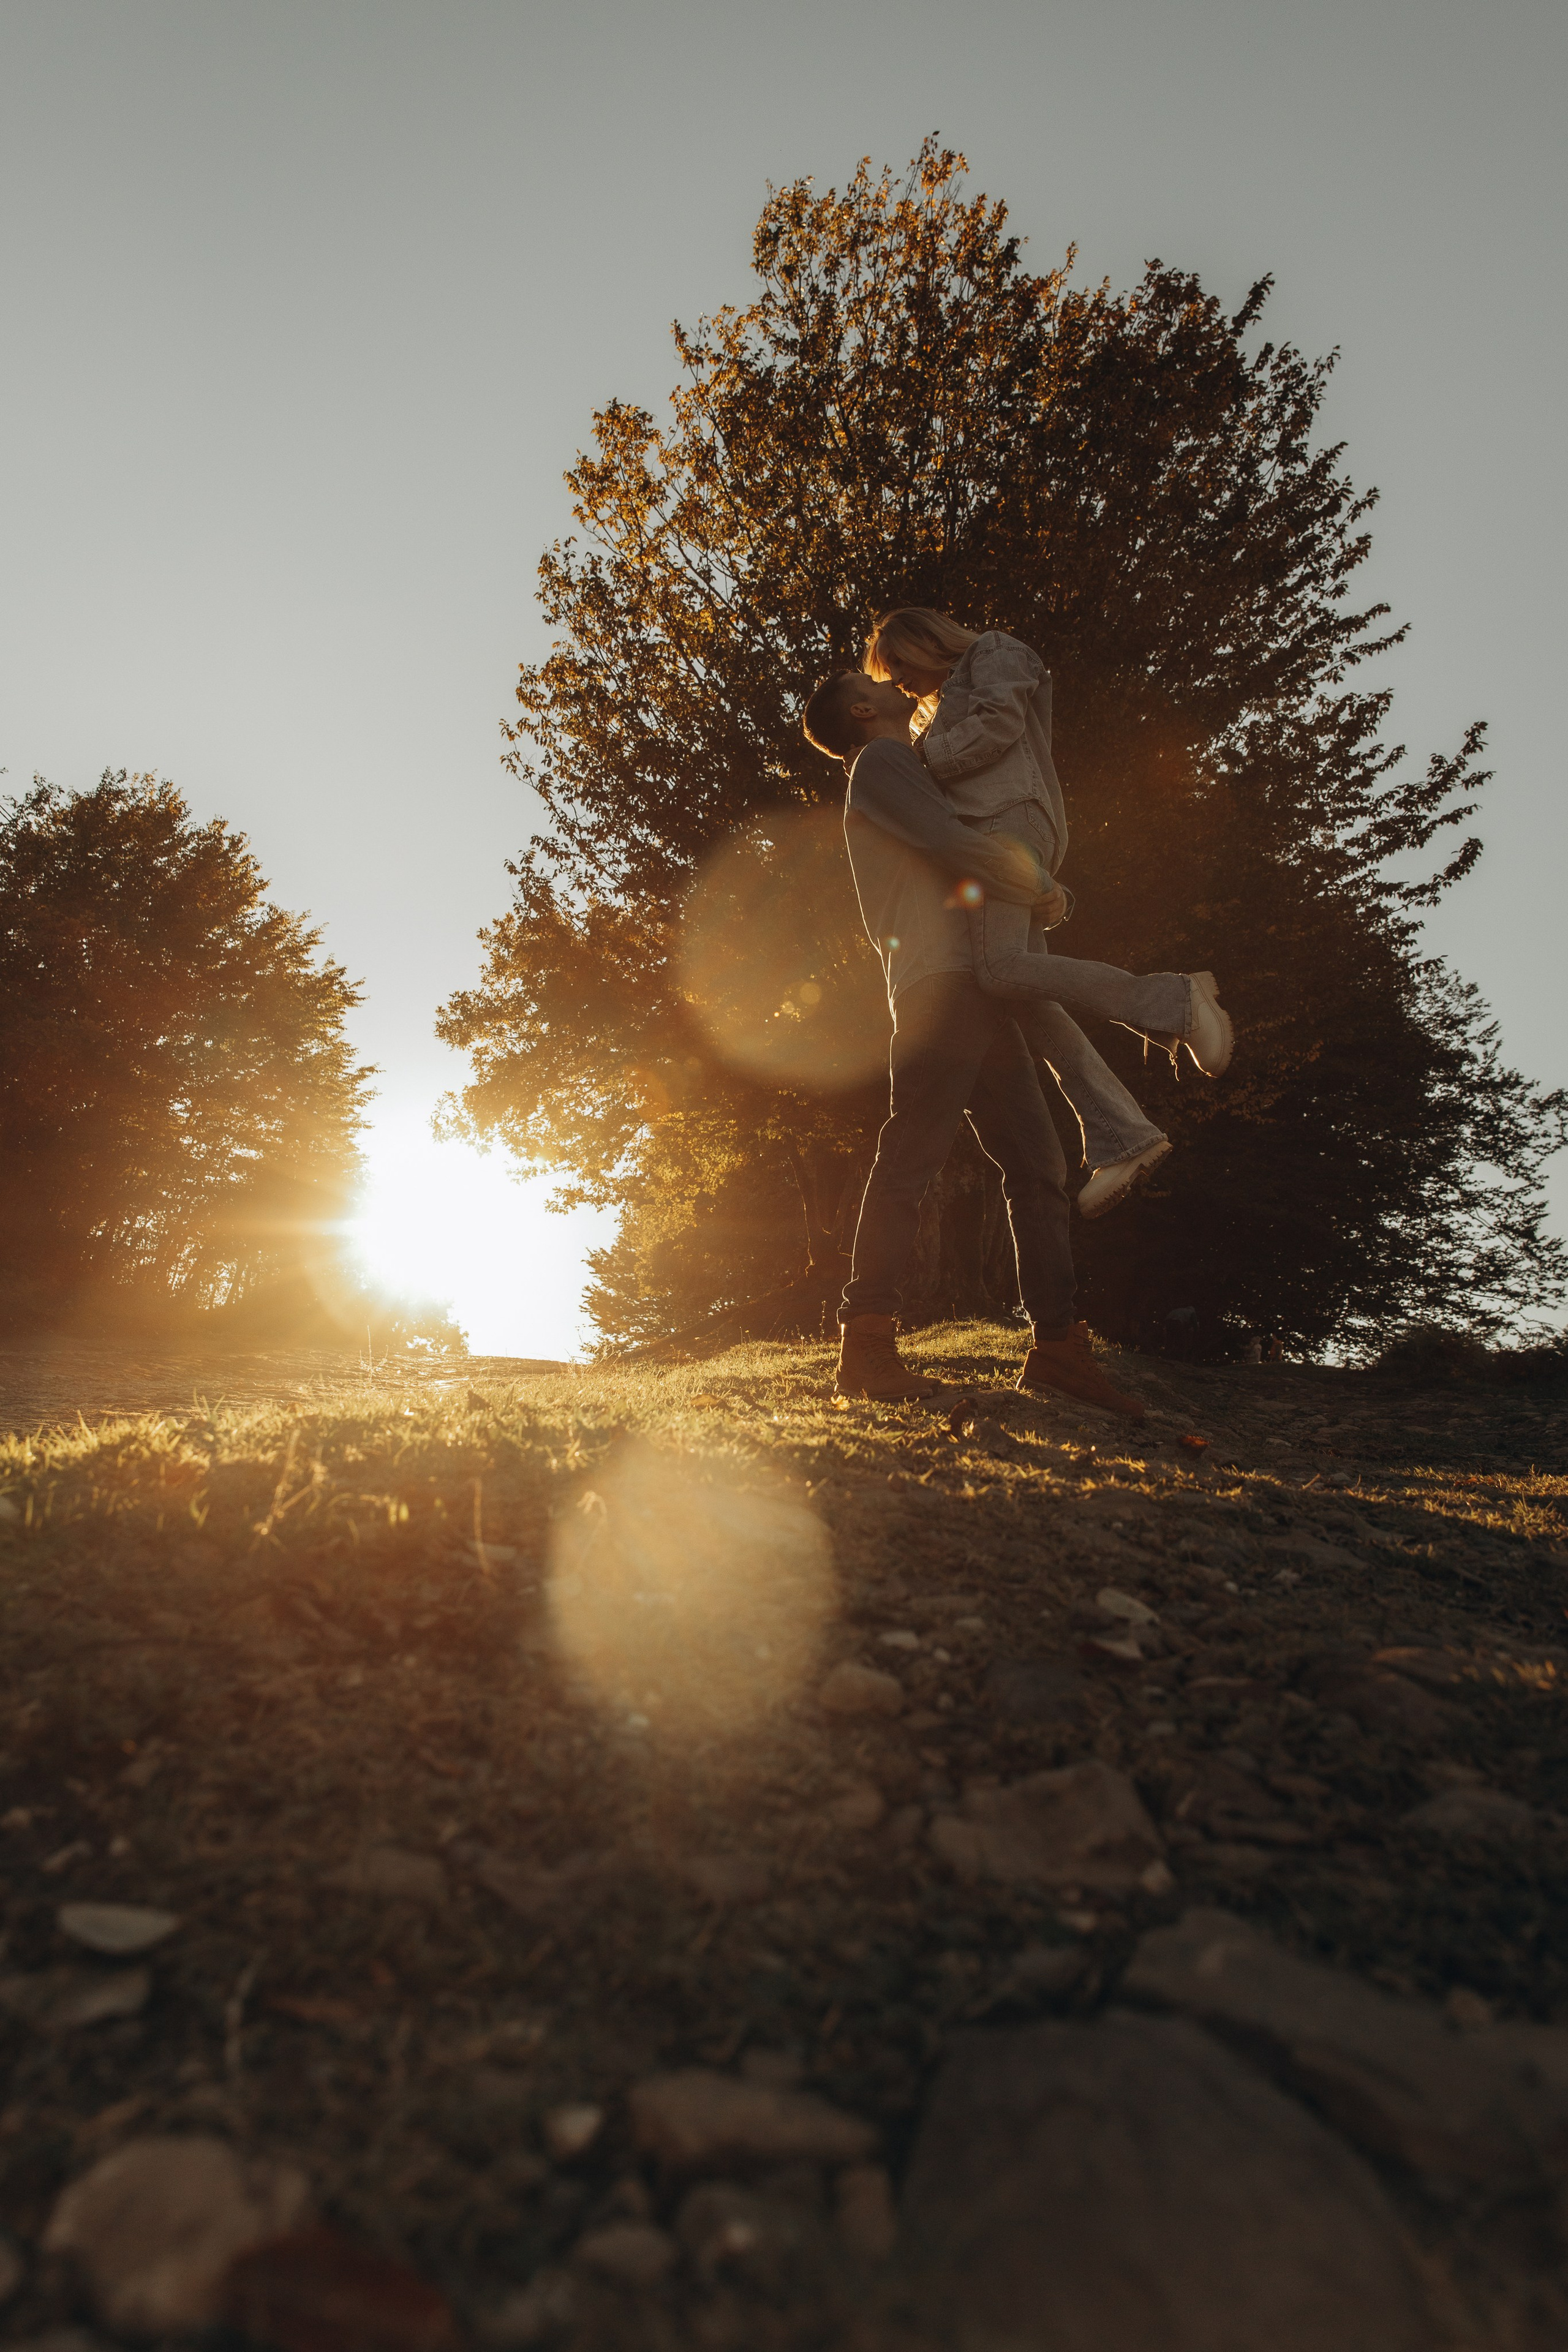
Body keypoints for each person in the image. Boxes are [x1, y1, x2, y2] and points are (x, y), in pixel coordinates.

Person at [801, 668, 1155, 1418]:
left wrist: (1030, 896)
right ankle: (865, 1344)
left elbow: (963, 852)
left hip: (979, 983)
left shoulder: (904, 765)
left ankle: (1055, 1350)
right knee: (911, 1158)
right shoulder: (881, 761)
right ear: (861, 710)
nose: (888, 679)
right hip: (942, 986)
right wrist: (1044, 888)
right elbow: (953, 842)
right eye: (870, 680)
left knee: (1037, 1166)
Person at [865, 606, 1234, 1215]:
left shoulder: (993, 651)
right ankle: (1122, 1134)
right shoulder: (935, 715)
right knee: (1024, 993)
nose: (898, 679)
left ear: (925, 640)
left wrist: (919, 761)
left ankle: (1175, 1002)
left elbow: (998, 725)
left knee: (999, 968)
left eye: (898, 662)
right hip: (990, 836)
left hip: (1008, 822)